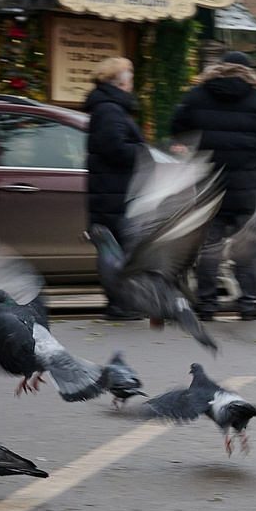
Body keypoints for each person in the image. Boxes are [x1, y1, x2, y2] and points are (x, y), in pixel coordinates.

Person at [169, 49, 256, 320]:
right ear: (248, 71)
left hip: (210, 184)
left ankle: (207, 306)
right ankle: (247, 305)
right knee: (248, 246)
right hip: (247, 186)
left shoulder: (198, 95)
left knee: (209, 245)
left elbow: (178, 127)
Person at [82, 56, 143, 319]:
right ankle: (120, 305)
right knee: (116, 250)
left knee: (116, 249)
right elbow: (116, 149)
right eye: (130, 78)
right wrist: (143, 150)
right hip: (113, 195)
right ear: (121, 82)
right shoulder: (110, 110)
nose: (131, 84)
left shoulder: (109, 108)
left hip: (112, 192)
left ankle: (122, 303)